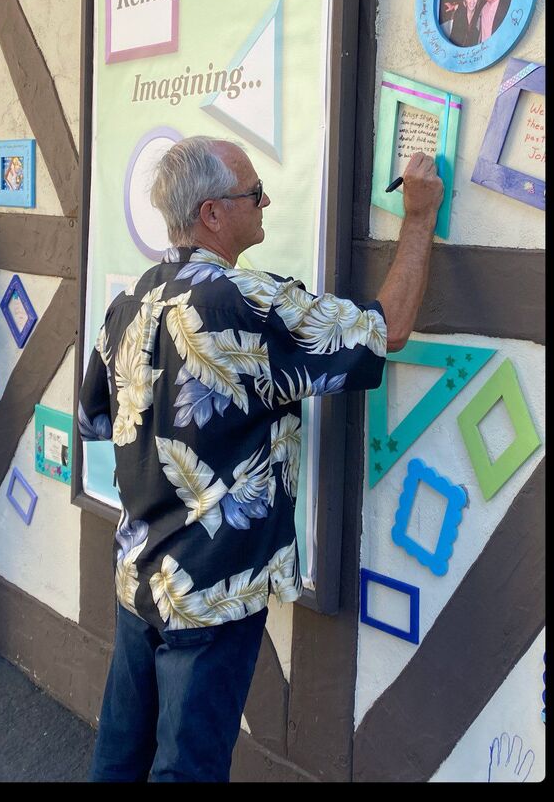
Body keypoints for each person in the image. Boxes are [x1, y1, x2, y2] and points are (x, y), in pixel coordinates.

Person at [79, 135, 441, 782]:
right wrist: (418, 219)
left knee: (119, 754)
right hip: (215, 587)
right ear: (212, 213)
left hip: (139, 573)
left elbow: (96, 418)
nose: (266, 200)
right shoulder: (245, 302)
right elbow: (389, 330)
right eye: (253, 194)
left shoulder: (127, 304)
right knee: (188, 767)